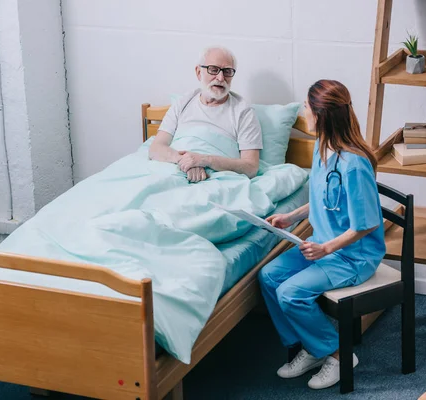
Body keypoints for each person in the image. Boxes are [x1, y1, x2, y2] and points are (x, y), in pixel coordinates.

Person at [258, 79, 386, 390]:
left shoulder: (353, 165)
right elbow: (320, 199)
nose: (304, 111)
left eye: (306, 107)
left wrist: (326, 249)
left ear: (321, 115)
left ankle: (338, 355)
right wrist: (291, 217)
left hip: (353, 256)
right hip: (323, 244)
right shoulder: (321, 147)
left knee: (291, 293)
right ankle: (312, 347)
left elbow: (365, 225)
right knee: (269, 276)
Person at [148, 46, 262, 182]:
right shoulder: (183, 102)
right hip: (172, 171)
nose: (220, 78)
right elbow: (156, 148)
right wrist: (186, 162)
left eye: (227, 71)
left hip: (217, 179)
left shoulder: (243, 111)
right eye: (213, 69)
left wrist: (204, 160)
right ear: (198, 72)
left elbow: (251, 167)